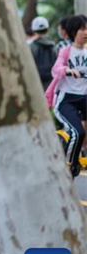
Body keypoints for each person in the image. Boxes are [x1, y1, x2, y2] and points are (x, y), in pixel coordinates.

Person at [45, 14, 87, 178]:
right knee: (78, 132)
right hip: (66, 100)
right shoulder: (66, 51)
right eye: (82, 29)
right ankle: (69, 166)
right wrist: (68, 70)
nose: (85, 32)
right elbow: (55, 69)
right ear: (72, 32)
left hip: (84, 97)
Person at [28, 16, 57, 89]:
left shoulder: (30, 46)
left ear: (33, 31)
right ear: (47, 30)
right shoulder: (54, 46)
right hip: (51, 83)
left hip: (35, 82)